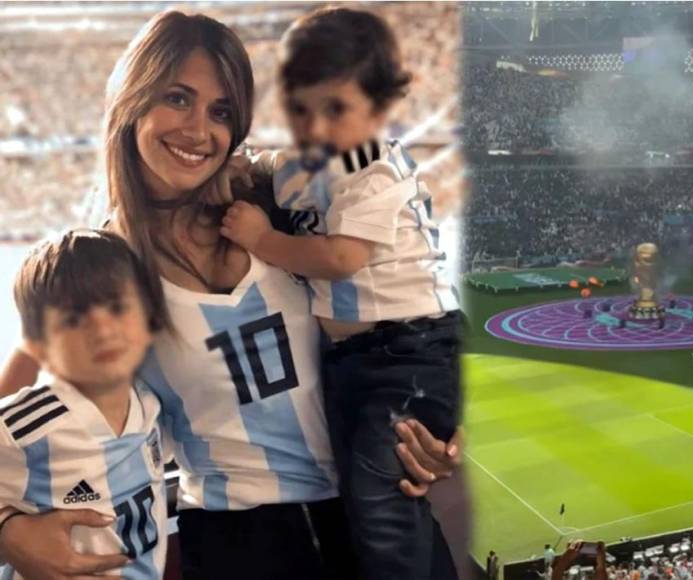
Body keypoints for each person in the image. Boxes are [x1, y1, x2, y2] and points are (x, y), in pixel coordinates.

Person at [0, 11, 460, 580]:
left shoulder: (280, 204)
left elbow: (401, 309)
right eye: (178, 98)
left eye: (221, 111)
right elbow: (13, 408)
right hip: (240, 545)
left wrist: (434, 424)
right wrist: (7, 528)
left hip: (372, 518)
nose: (200, 130)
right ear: (132, 99)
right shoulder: (101, 266)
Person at [218, 8, 460, 578]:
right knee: (368, 497)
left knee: (383, 504)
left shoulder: (370, 164)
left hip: (410, 353)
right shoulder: (310, 163)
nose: (317, 127)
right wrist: (240, 169)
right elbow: (268, 167)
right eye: (302, 109)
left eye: (336, 109)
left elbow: (341, 259)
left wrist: (265, 238)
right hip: (355, 359)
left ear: (378, 107)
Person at [1, 231, 167, 580]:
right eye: (74, 319)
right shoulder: (25, 426)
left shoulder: (149, 402)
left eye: (117, 307)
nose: (103, 330)